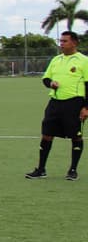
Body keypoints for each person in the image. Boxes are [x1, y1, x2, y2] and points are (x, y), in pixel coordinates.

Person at [26, 29, 87, 180]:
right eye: (60, 41)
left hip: (74, 103)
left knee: (76, 137)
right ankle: (41, 169)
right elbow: (46, 79)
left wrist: (86, 107)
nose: (61, 44)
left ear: (74, 43)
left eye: (65, 41)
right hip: (55, 102)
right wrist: (51, 83)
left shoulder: (84, 60)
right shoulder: (56, 59)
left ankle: (72, 170)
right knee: (46, 134)